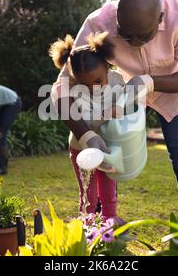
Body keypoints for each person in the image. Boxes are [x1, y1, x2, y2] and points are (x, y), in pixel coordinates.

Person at [51, 0, 178, 219]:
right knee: (106, 156)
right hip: (122, 97)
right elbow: (61, 86)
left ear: (160, 19)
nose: (134, 42)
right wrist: (86, 136)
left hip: (175, 95)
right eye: (127, 35)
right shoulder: (98, 24)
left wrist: (148, 82)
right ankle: (101, 229)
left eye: (143, 36)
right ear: (117, 19)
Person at [49, 31, 125, 223]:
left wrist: (121, 108)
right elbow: (85, 120)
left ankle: (110, 218)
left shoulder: (117, 80)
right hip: (81, 148)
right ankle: (88, 222)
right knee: (88, 189)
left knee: (108, 185)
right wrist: (106, 112)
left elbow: (128, 103)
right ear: (75, 79)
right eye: (86, 85)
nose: (94, 88)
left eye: (99, 81)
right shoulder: (73, 91)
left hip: (107, 144)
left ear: (108, 69)